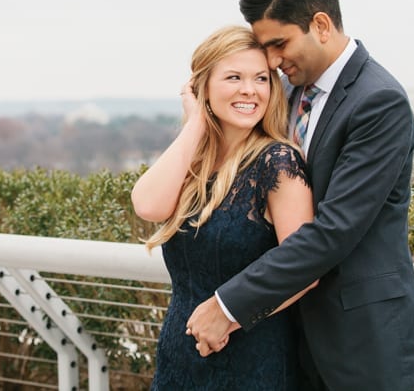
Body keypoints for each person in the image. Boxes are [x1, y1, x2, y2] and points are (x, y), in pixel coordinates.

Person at [186, 0, 414, 390]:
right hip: (290, 346)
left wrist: (228, 305)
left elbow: (333, 231)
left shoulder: (379, 102)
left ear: (321, 24)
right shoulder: (283, 92)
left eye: (279, 43)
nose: (270, 60)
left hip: (368, 348)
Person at [131, 25, 318, 390]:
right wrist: (196, 123)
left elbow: (305, 269)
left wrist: (229, 316)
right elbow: (148, 205)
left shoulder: (277, 162)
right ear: (203, 87)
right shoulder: (196, 161)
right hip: (178, 362)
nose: (249, 90)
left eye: (261, 79)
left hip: (250, 362)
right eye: (234, 77)